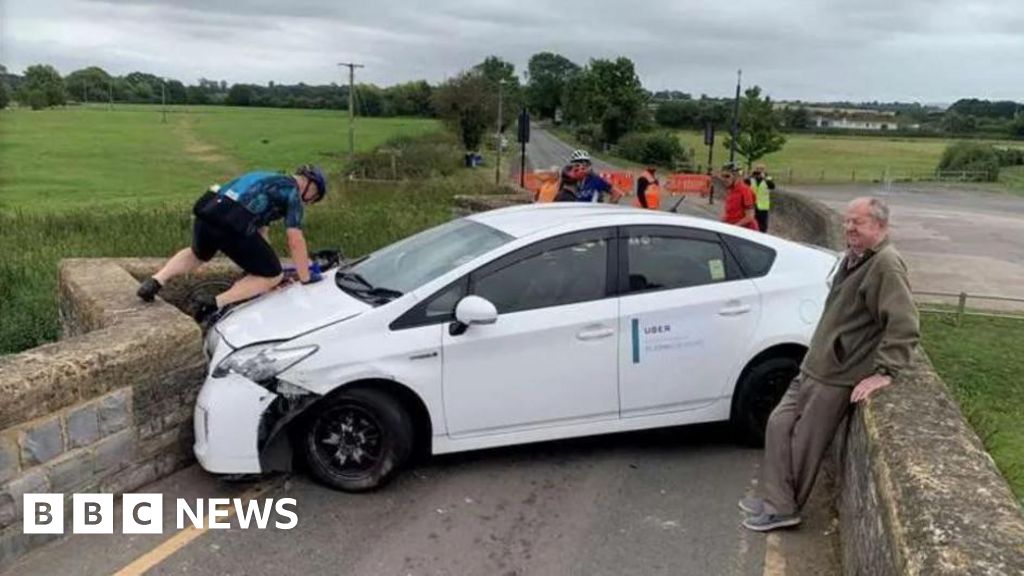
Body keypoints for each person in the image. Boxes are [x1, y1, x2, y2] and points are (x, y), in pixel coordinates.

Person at [740, 197, 920, 532]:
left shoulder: (886, 265)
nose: (849, 228)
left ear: (880, 226)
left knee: (806, 443)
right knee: (778, 425)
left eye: (859, 222)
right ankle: (775, 498)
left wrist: (885, 372)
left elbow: (904, 323)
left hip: (838, 373)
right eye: (848, 221)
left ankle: (784, 509)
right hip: (815, 364)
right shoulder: (854, 258)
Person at [136, 165, 328, 322]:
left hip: (208, 211)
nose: (309, 202)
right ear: (312, 187)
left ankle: (155, 281)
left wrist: (264, 260)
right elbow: (295, 240)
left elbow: (261, 231)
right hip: (232, 223)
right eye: (314, 198)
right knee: (273, 275)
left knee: (197, 254)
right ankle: (212, 304)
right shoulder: (292, 193)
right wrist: (305, 278)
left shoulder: (265, 176)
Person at [720, 163, 759, 231]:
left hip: (745, 231)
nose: (724, 179)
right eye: (722, 176)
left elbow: (749, 217)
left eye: (727, 176)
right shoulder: (731, 190)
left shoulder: (745, 190)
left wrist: (733, 228)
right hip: (734, 228)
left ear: (736, 176)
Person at [749, 163, 775, 233]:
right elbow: (744, 183)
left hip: (763, 206)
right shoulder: (752, 178)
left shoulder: (768, 178)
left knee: (762, 225)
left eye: (761, 169)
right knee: (751, 223)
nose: (759, 171)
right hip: (752, 205)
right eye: (757, 169)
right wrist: (750, 175)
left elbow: (772, 186)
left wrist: (764, 178)